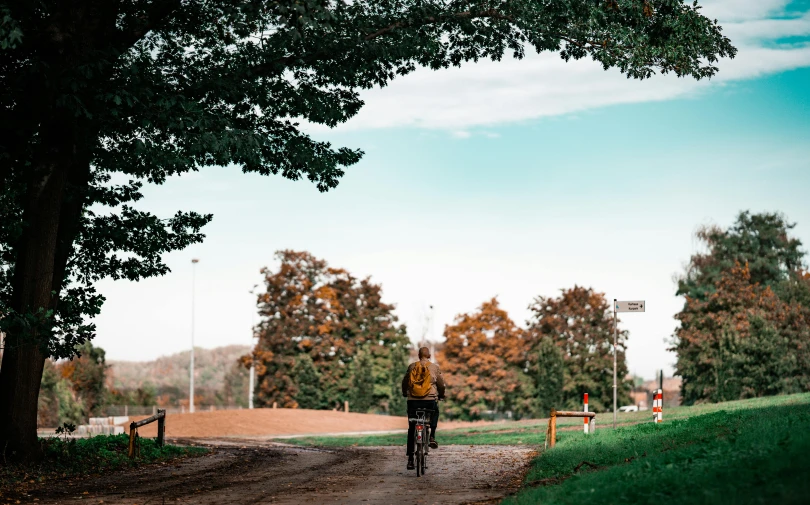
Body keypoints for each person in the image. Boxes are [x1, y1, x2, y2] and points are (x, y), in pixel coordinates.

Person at [401, 346, 445, 470]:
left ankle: (410, 459)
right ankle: (432, 437)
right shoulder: (434, 367)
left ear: (419, 355)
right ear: (429, 355)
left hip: (413, 402)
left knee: (411, 428)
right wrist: (441, 395)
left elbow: (405, 382)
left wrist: (405, 393)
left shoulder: (412, 366)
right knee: (435, 413)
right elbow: (441, 384)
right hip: (429, 400)